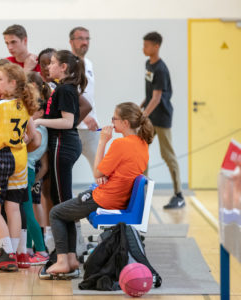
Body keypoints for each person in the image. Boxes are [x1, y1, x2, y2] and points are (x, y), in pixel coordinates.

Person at [45, 102, 154, 276]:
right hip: (116, 196)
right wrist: (106, 175)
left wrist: (102, 141)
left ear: (125, 123)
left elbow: (97, 172)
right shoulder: (142, 144)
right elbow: (118, 171)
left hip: (106, 199)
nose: (111, 122)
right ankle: (71, 259)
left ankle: (63, 261)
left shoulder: (120, 144)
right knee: (69, 210)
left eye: (114, 119)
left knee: (56, 213)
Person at [0, 63, 38, 271]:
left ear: (13, 83)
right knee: (13, 207)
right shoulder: (25, 105)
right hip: (19, 157)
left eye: (1, 79)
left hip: (0, 157)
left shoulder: (1, 106)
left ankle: (6, 253)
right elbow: (34, 136)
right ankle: (14, 253)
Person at [35, 49, 86, 206]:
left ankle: (71, 231)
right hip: (62, 143)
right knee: (58, 195)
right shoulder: (61, 88)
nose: (48, 67)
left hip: (62, 144)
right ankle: (69, 230)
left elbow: (67, 122)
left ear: (63, 67)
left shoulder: (65, 89)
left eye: (52, 63)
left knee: (61, 197)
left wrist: (39, 122)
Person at [141, 31, 184, 209]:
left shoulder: (161, 69)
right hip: (149, 116)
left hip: (161, 117)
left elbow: (157, 98)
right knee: (141, 153)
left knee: (168, 155)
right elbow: (150, 94)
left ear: (156, 46)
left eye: (146, 45)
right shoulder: (148, 64)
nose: (143, 48)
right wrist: (140, 107)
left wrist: (142, 116)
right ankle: (141, 193)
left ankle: (179, 195)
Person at [69, 26, 100, 255]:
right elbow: (70, 94)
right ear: (71, 41)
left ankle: (109, 226)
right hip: (73, 128)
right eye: (81, 39)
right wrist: (84, 115)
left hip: (92, 130)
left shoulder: (88, 64)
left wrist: (92, 117)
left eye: (87, 38)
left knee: (102, 174)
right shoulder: (68, 64)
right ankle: (71, 232)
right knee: (64, 181)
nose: (85, 42)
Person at [25, 72, 50, 265]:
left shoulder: (38, 131)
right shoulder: (41, 129)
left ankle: (41, 250)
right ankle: (26, 249)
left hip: (26, 170)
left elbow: (32, 146)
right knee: (24, 212)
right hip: (29, 172)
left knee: (28, 212)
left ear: (40, 113)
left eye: (32, 110)